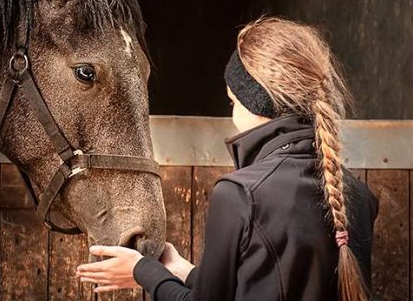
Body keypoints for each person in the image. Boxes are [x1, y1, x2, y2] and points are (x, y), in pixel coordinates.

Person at [76, 17, 379, 301]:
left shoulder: (240, 195)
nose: (232, 113)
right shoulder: (358, 196)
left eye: (233, 101)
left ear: (257, 103)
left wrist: (142, 271)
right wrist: (185, 271)